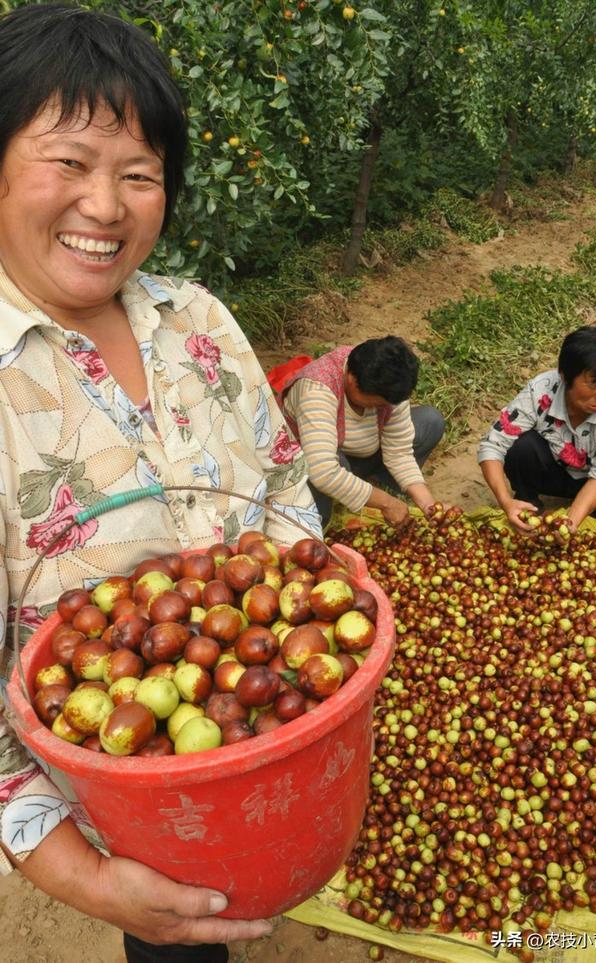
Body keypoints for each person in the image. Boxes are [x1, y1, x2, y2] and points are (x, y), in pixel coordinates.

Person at [0, 4, 322, 962]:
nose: (106, 205)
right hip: (130, 817)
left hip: (278, 720)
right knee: (181, 944)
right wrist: (85, 877)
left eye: (139, 174)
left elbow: (287, 494)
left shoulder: (199, 321)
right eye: (68, 160)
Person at [478, 324, 596, 541]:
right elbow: (492, 445)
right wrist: (505, 501)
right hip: (556, 472)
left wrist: (570, 522)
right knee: (521, 446)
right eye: (594, 383)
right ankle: (527, 504)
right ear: (565, 375)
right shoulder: (541, 391)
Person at [280, 337, 446, 527]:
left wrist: (429, 505)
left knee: (429, 421)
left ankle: (368, 490)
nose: (380, 408)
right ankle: (327, 510)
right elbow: (323, 472)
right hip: (306, 465)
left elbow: (399, 453)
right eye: (376, 403)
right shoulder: (317, 389)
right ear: (351, 380)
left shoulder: (390, 384)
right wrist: (386, 503)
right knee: (333, 470)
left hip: (360, 459)